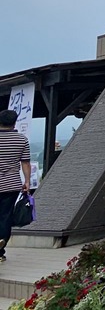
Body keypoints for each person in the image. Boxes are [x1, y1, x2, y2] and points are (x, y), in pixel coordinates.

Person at [0, 109, 31, 263]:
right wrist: (26, 181)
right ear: (14, 122)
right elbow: (25, 162)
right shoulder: (21, 139)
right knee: (5, 216)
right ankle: (0, 247)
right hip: (11, 184)